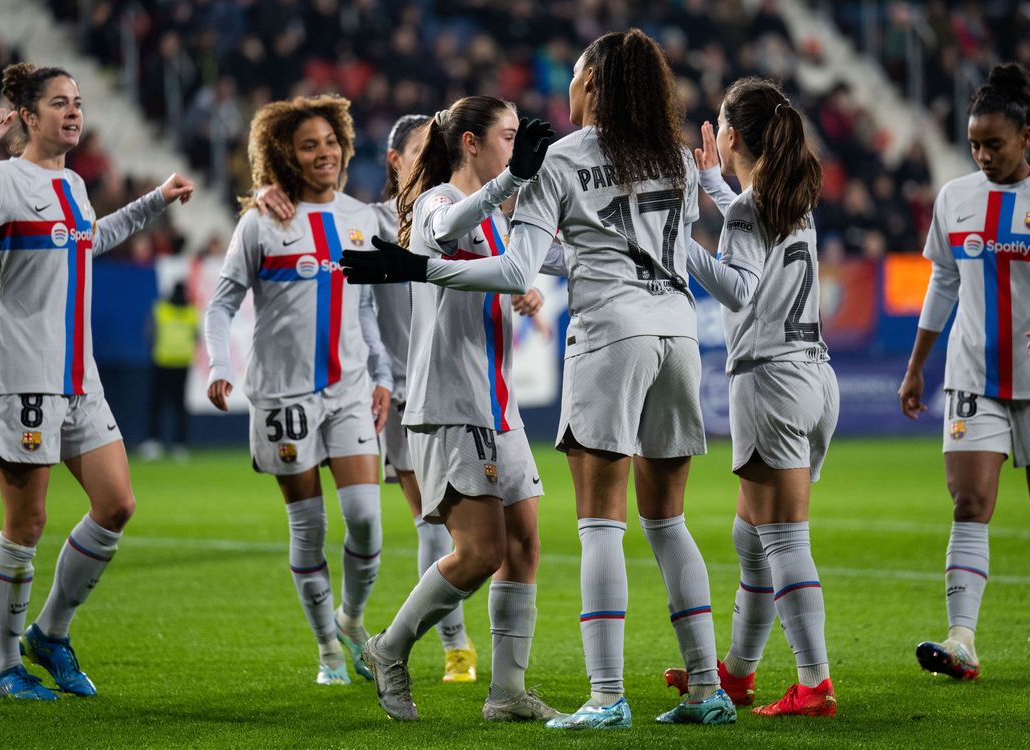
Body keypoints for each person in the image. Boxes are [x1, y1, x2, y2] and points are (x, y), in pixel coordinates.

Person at [344, 30, 734, 729]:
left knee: (598, 526)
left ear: (596, 84)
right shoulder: (676, 158)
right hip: (677, 335)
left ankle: (606, 694)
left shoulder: (563, 157)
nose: (570, 89)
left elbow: (524, 268)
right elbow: (615, 249)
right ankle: (707, 689)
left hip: (610, 338)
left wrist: (420, 267)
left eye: (580, 76)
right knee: (668, 522)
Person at [0, 62, 194, 700]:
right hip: (18, 376)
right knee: (26, 524)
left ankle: (50, 632)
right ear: (26, 114)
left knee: (117, 504)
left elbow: (89, 239)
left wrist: (156, 199)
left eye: (76, 103)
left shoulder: (72, 183)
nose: (73, 113)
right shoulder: (1, 179)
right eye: (58, 103)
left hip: (78, 377)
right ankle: (3, 666)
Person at [344, 95, 561, 723]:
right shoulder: (439, 199)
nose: (517, 147)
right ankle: (390, 647)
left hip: (500, 403)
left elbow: (527, 263)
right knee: (479, 552)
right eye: (507, 136)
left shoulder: (499, 215)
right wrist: (512, 179)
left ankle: (508, 691)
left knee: (524, 545)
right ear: (471, 143)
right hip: (453, 402)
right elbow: (438, 235)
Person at [254, 114, 481, 683]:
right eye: (418, 152)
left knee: (451, 524)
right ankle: (454, 644)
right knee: (433, 523)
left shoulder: (449, 214)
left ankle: (380, 628)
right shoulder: (373, 220)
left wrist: (523, 288)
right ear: (395, 162)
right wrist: (266, 190)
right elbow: (319, 215)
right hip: (396, 394)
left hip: (449, 382)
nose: (430, 160)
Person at [899, 63, 1030, 678]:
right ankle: (961, 640)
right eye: (974, 145)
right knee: (969, 502)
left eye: (994, 143)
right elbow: (941, 282)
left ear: (1025, 138)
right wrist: (916, 367)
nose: (983, 155)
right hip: (971, 377)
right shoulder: (955, 199)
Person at [664, 78, 841, 717]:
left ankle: (814, 683)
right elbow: (750, 225)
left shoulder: (751, 207)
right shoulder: (792, 199)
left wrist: (673, 239)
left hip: (770, 381)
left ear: (731, 136)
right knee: (751, 535)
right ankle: (737, 672)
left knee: (784, 539)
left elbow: (738, 286)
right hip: (814, 380)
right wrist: (715, 188)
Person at [204, 93, 392, 687]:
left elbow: (364, 310)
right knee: (309, 527)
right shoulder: (262, 221)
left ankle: (351, 619)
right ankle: (327, 653)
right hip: (282, 396)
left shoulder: (361, 219)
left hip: (348, 389)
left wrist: (382, 375)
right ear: (286, 154)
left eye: (330, 141)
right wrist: (216, 364)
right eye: (309, 145)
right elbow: (222, 302)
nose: (324, 153)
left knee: (365, 519)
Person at [140, 281, 199, 462]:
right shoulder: (191, 312)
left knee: (157, 404)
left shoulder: (161, 309)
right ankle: (179, 445)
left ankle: (154, 443)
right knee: (179, 406)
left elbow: (149, 333)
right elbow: (197, 337)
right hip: (182, 363)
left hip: (162, 361)